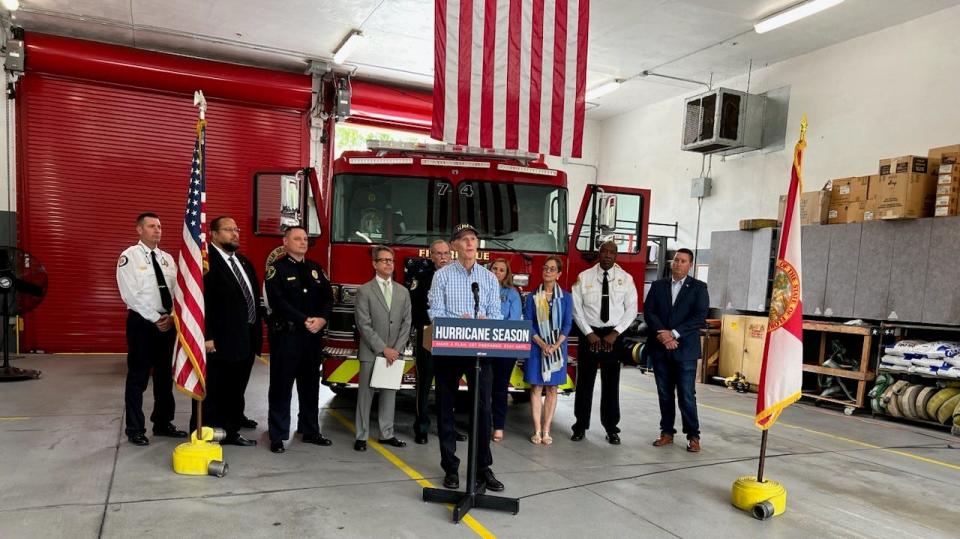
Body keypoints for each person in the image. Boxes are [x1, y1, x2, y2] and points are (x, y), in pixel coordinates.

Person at [428, 223, 504, 492]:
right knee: (445, 408)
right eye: (464, 239)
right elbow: (434, 311)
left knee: (483, 409)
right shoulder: (443, 276)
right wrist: (454, 321)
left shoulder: (488, 278)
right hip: (449, 351)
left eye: (473, 238)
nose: (470, 243)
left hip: (480, 353)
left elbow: (496, 313)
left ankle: (483, 467)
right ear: (455, 246)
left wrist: (486, 320)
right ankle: (450, 467)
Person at [116, 212, 187, 446]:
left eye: (159, 226)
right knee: (138, 377)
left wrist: (172, 317)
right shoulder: (129, 257)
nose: (157, 230)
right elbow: (130, 294)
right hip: (143, 324)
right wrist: (157, 318)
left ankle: (163, 423)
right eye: (151, 226)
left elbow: (178, 292)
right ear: (139, 230)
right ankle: (135, 428)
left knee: (165, 377)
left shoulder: (167, 259)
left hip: (168, 324)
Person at [192, 216, 262, 447]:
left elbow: (253, 299)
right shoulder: (205, 263)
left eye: (236, 229)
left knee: (235, 390)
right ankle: (205, 434)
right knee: (214, 390)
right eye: (228, 230)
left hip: (245, 338)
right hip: (218, 341)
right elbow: (201, 303)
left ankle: (230, 432)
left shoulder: (243, 262)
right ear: (213, 233)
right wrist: (207, 335)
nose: (235, 234)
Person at [264, 226, 335, 454]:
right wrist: (305, 319)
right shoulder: (277, 269)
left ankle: (310, 430)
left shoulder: (315, 269)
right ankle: (277, 435)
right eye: (297, 238)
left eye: (305, 239)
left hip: (312, 338)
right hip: (288, 335)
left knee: (310, 385)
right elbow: (278, 302)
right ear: (285, 242)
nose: (303, 242)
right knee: (281, 386)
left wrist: (322, 319)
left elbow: (328, 298)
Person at [571, 240, 638, 444]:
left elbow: (631, 310)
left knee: (611, 384)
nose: (608, 255)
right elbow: (576, 309)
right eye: (605, 251)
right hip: (589, 334)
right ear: (599, 254)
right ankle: (580, 426)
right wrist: (589, 333)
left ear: (617, 256)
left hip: (613, 336)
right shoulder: (584, 277)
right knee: (584, 383)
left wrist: (616, 333)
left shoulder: (626, 279)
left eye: (613, 252)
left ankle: (611, 428)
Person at [644, 248, 709, 452]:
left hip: (685, 351)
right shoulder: (658, 285)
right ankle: (667, 433)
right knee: (664, 394)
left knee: (686, 395)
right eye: (675, 260)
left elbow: (699, 317)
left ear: (690, 265)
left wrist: (673, 333)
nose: (678, 264)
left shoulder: (698, 288)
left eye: (683, 261)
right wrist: (662, 335)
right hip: (661, 348)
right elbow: (649, 312)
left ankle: (693, 436)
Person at [353, 245, 412, 452]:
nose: (389, 264)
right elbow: (363, 324)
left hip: (394, 353)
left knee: (389, 393)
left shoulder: (403, 292)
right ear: (374, 264)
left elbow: (407, 323)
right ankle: (361, 435)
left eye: (391, 260)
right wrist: (383, 348)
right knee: (365, 395)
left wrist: (396, 349)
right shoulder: (364, 291)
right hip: (371, 351)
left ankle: (387, 434)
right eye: (384, 260)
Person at [409, 239, 456, 445]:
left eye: (446, 253)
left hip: (453, 334)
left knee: (449, 384)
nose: (443, 257)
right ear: (431, 256)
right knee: (425, 381)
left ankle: (447, 428)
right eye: (438, 253)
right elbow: (415, 307)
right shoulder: (422, 277)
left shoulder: (458, 277)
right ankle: (421, 427)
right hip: (429, 331)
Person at [523, 256, 573, 446]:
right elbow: (528, 324)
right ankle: (536, 430)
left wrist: (554, 345)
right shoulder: (532, 297)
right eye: (545, 268)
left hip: (557, 350)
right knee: (536, 387)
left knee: (552, 388)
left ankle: (547, 430)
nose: (548, 271)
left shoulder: (566, 297)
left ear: (559, 274)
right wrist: (543, 345)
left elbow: (567, 325)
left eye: (552, 269)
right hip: (537, 348)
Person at [489, 258, 522, 443]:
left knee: (500, 388)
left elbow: (514, 320)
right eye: (494, 268)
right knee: (483, 388)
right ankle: (482, 423)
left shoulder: (512, 293)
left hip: (504, 347)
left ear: (506, 274)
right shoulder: (481, 289)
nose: (497, 272)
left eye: (501, 270)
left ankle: (498, 426)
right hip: (483, 347)